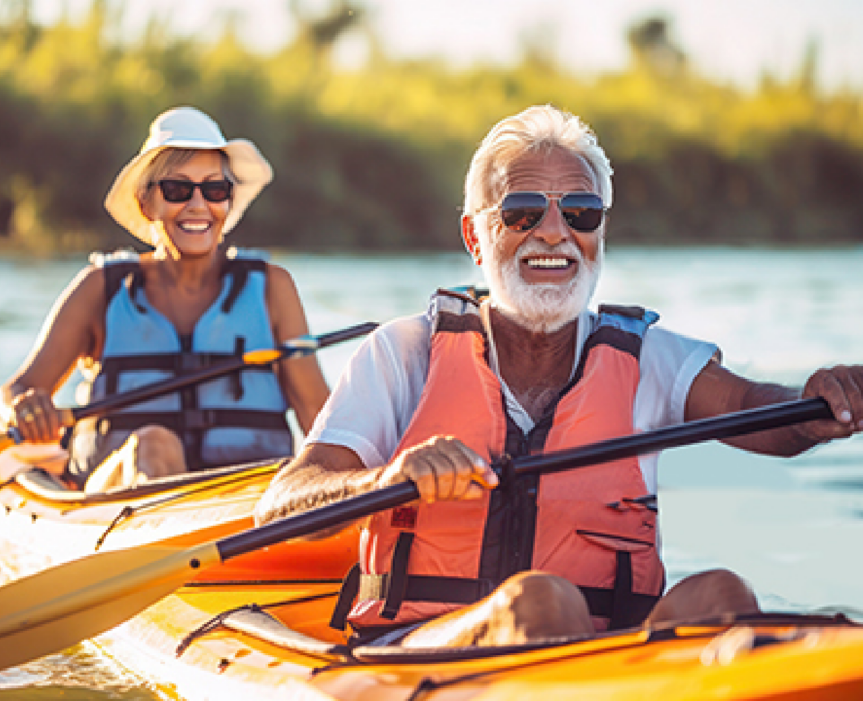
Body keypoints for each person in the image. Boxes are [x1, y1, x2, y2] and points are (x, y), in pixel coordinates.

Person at [254, 104, 863, 648]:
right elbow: (280, 506)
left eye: (580, 211)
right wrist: (386, 478)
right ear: (475, 235)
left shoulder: (647, 356)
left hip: (604, 656)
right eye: (522, 212)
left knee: (722, 595)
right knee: (541, 601)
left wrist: (822, 403)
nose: (554, 232)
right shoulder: (403, 353)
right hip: (423, 645)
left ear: (599, 233)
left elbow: (764, 413)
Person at [0, 107, 330, 492]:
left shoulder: (273, 288)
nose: (198, 205)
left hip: (246, 501)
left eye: (214, 190)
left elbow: (319, 415)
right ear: (146, 202)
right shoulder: (100, 289)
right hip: (116, 503)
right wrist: (21, 408)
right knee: (155, 443)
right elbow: (16, 390)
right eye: (177, 189)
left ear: (228, 201)